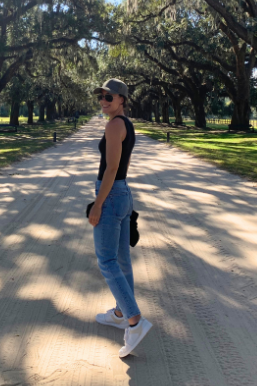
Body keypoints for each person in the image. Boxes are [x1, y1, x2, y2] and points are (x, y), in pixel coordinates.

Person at [88, 78, 152, 357]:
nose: (103, 101)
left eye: (109, 97)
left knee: (107, 261)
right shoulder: (127, 124)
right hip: (123, 194)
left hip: (112, 195)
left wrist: (97, 205)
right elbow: (121, 167)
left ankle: (134, 321)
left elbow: (112, 168)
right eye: (101, 96)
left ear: (122, 99)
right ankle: (119, 312)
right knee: (122, 260)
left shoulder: (114, 125)